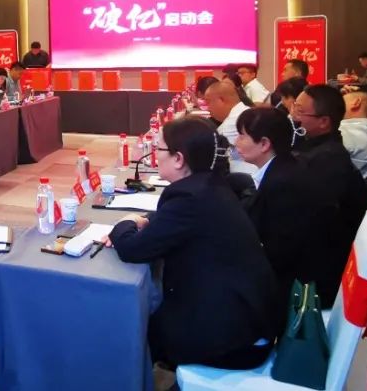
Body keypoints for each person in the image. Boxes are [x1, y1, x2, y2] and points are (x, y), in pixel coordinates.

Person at [104, 117, 275, 369]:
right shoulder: (210, 184)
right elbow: (176, 221)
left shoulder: (189, 198)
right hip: (246, 317)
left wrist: (125, 223)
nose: (154, 155)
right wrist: (148, 220)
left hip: (233, 338)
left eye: (159, 148)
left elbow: (132, 249)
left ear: (178, 159)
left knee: (129, 330)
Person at [234, 108, 332, 334]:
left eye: (242, 136)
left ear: (264, 144)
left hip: (295, 289)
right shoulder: (285, 166)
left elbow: (279, 252)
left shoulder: (283, 184)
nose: (236, 142)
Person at [290, 85, 367, 304]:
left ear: (324, 122)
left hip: (319, 276)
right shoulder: (317, 149)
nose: (294, 116)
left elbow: (310, 223)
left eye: (300, 111)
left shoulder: (328, 161)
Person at [204, 82, 253, 173]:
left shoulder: (231, 123)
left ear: (221, 100)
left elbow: (210, 156)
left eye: (208, 102)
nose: (208, 108)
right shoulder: (244, 110)